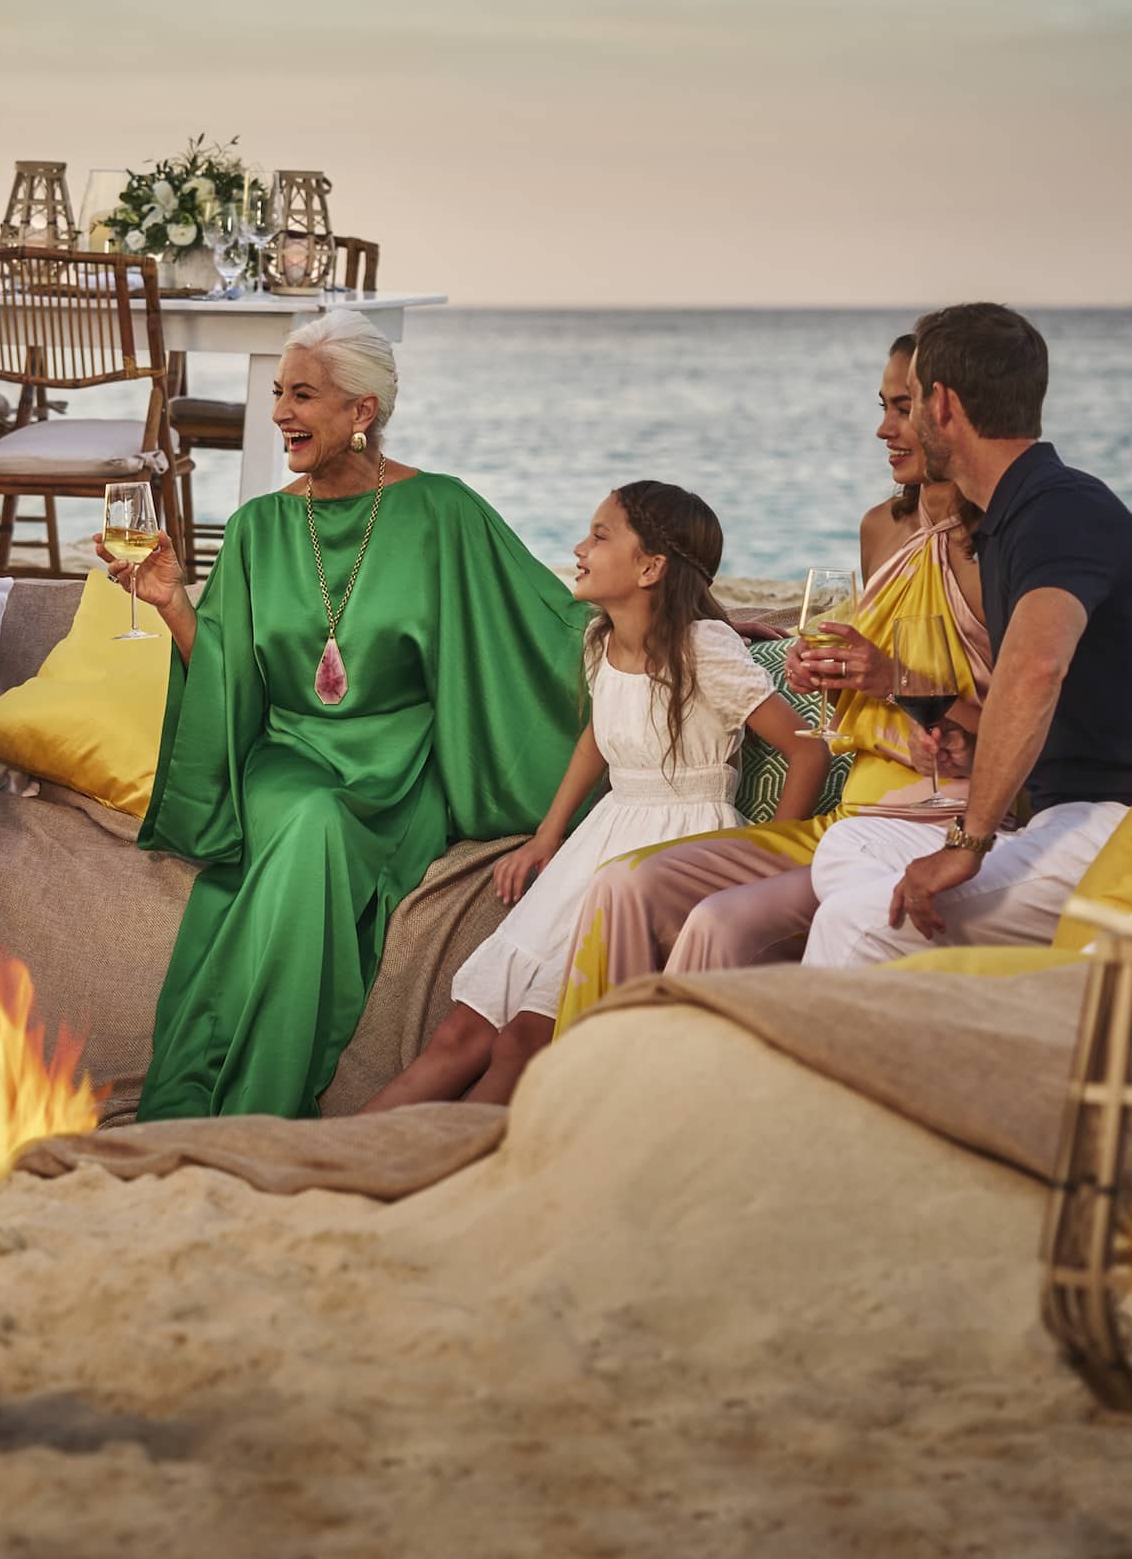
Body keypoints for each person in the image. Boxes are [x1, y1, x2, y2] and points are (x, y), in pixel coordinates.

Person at [98, 308, 591, 1121]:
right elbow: (230, 679)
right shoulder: (259, 526)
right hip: (290, 756)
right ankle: (232, 1095)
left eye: (303, 395)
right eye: (279, 393)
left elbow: (541, 619)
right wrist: (172, 603)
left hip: (401, 773)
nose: (281, 412)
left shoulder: (443, 512)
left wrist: (687, 619)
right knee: (311, 817)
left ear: (361, 412)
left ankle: (258, 1102)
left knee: (328, 821)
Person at [551, 333, 994, 1032]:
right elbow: (862, 634)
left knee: (717, 926)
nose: (883, 427)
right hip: (851, 813)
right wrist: (800, 649)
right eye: (881, 405)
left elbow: (998, 710)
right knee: (621, 884)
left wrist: (882, 676)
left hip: (937, 816)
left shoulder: (988, 546)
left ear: (947, 412)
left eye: (901, 407)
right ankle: (594, 1082)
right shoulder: (882, 528)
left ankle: (683, 1100)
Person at [361, 481, 826, 1111]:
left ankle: (459, 1176)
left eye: (600, 536)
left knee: (526, 1040)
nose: (579, 548)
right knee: (462, 1030)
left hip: (676, 845)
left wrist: (761, 861)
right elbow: (595, 739)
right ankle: (343, 1156)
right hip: (599, 842)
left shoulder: (704, 649)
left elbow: (808, 750)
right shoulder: (599, 641)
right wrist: (548, 838)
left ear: (651, 567)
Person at [804, 303, 1132, 965]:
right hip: (1060, 816)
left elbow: (1037, 666)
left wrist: (967, 843)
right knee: (852, 848)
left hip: (1112, 828)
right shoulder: (1012, 516)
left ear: (943, 404)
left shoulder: (1059, 508)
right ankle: (962, 996)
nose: (893, 423)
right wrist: (969, 749)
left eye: (912, 397)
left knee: (854, 924)